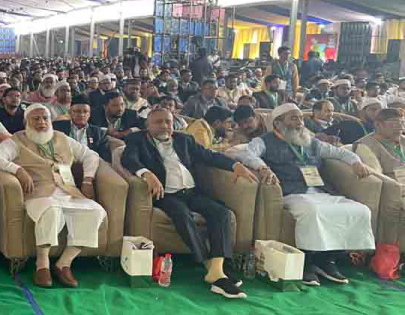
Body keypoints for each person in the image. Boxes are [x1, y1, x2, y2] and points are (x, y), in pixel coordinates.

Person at [121, 108, 259, 299]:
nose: (164, 126)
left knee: (221, 212)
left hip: (192, 192)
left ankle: (217, 268)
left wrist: (235, 165)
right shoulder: (137, 140)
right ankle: (212, 268)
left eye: (168, 122)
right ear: (148, 125)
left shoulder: (184, 139)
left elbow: (208, 155)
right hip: (166, 195)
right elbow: (128, 159)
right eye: (158, 122)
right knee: (182, 215)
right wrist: (146, 173)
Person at [237, 104, 374, 286]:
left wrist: (356, 162)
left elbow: (340, 152)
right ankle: (306, 263)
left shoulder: (311, 142)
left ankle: (328, 260)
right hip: (291, 193)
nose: (300, 122)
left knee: (361, 210)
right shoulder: (264, 141)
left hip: (320, 191)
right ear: (278, 123)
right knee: (312, 211)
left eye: (301, 118)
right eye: (294, 118)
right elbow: (246, 153)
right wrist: (262, 167)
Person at [0, 104, 107, 288]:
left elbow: (91, 156)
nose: (41, 122)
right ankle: (42, 265)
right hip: (39, 193)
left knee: (95, 212)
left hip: (68, 191)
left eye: (45, 118)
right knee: (50, 211)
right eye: (36, 119)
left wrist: (88, 180)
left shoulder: (62, 138)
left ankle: (64, 263)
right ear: (26, 122)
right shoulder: (17, 140)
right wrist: (17, 170)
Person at [53, 94, 116, 162]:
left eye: (85, 111)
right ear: (70, 112)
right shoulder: (57, 127)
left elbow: (105, 158)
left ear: (89, 114)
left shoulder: (99, 133)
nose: (82, 115)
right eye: (77, 111)